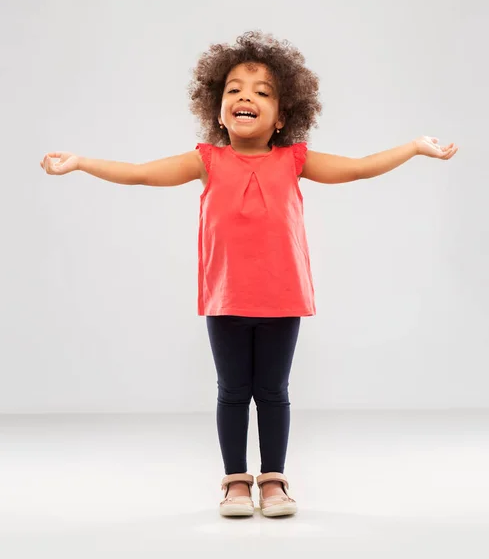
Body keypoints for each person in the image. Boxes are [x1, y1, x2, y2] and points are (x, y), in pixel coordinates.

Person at [40, 30, 459, 518]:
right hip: (225, 300)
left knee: (274, 392)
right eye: (234, 89)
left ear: (282, 118)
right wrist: (80, 162)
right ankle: (237, 481)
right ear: (217, 109)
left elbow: (361, 168)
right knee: (233, 392)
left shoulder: (294, 159)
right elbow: (138, 172)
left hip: (283, 300)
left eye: (262, 92)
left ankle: (275, 480)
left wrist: (413, 147)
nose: (245, 96)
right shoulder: (206, 160)